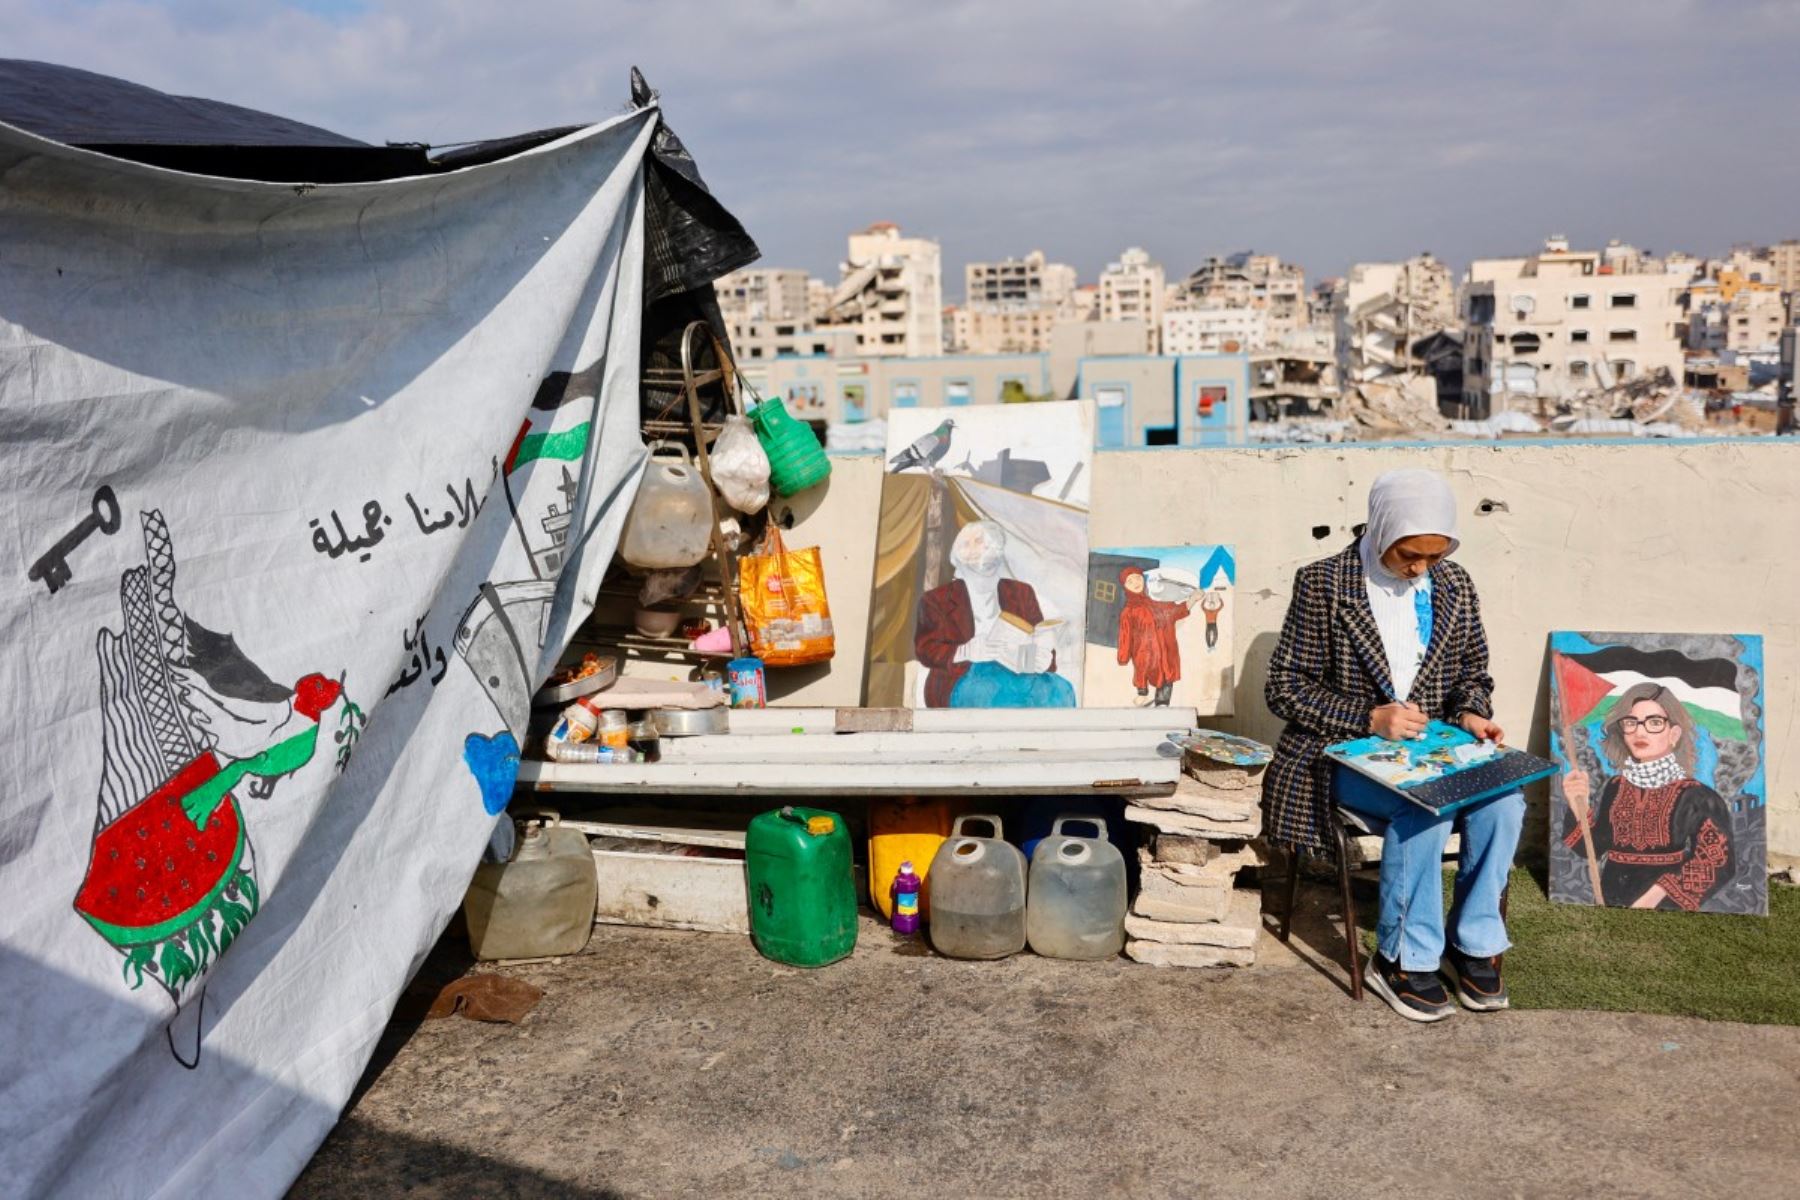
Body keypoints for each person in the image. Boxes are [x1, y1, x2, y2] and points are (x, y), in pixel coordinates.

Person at [1264, 469, 1522, 1023]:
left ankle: (1474, 944)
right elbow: (1284, 687)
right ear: (1380, 531)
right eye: (1409, 553)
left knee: (1504, 802)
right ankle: (1403, 958)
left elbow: (1472, 672)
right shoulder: (1324, 584)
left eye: (1434, 554)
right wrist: (1366, 717)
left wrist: (1473, 712)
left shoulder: (1455, 584)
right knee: (1423, 808)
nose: (1420, 567)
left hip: (1433, 752)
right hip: (1342, 755)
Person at [1560, 683, 1736, 910]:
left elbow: (1717, 860)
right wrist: (1579, 806)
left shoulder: (1698, 796)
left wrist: (1656, 895)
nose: (1639, 732)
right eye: (1631, 723)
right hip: (1609, 897)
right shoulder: (1615, 787)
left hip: (1664, 902)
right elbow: (1592, 849)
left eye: (1654, 723)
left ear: (1673, 734)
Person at [914, 520, 1076, 709]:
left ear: (996, 548)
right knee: (997, 697)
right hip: (964, 678)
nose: (975, 549)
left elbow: (1037, 636)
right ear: (957, 555)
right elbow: (925, 650)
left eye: (981, 541)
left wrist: (1042, 658)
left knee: (1062, 691)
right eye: (966, 544)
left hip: (1019, 674)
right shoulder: (936, 600)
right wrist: (965, 651)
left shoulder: (1021, 592)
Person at [1116, 566, 1199, 707]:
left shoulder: (1156, 603)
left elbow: (1175, 612)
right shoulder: (1128, 611)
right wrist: (1123, 656)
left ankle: (1162, 703)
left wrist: (1193, 599)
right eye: (1130, 581)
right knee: (1143, 673)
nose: (1136, 582)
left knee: (1167, 675)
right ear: (1125, 586)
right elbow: (1125, 635)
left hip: (1165, 650)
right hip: (1144, 654)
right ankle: (1143, 692)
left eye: (1137, 577)